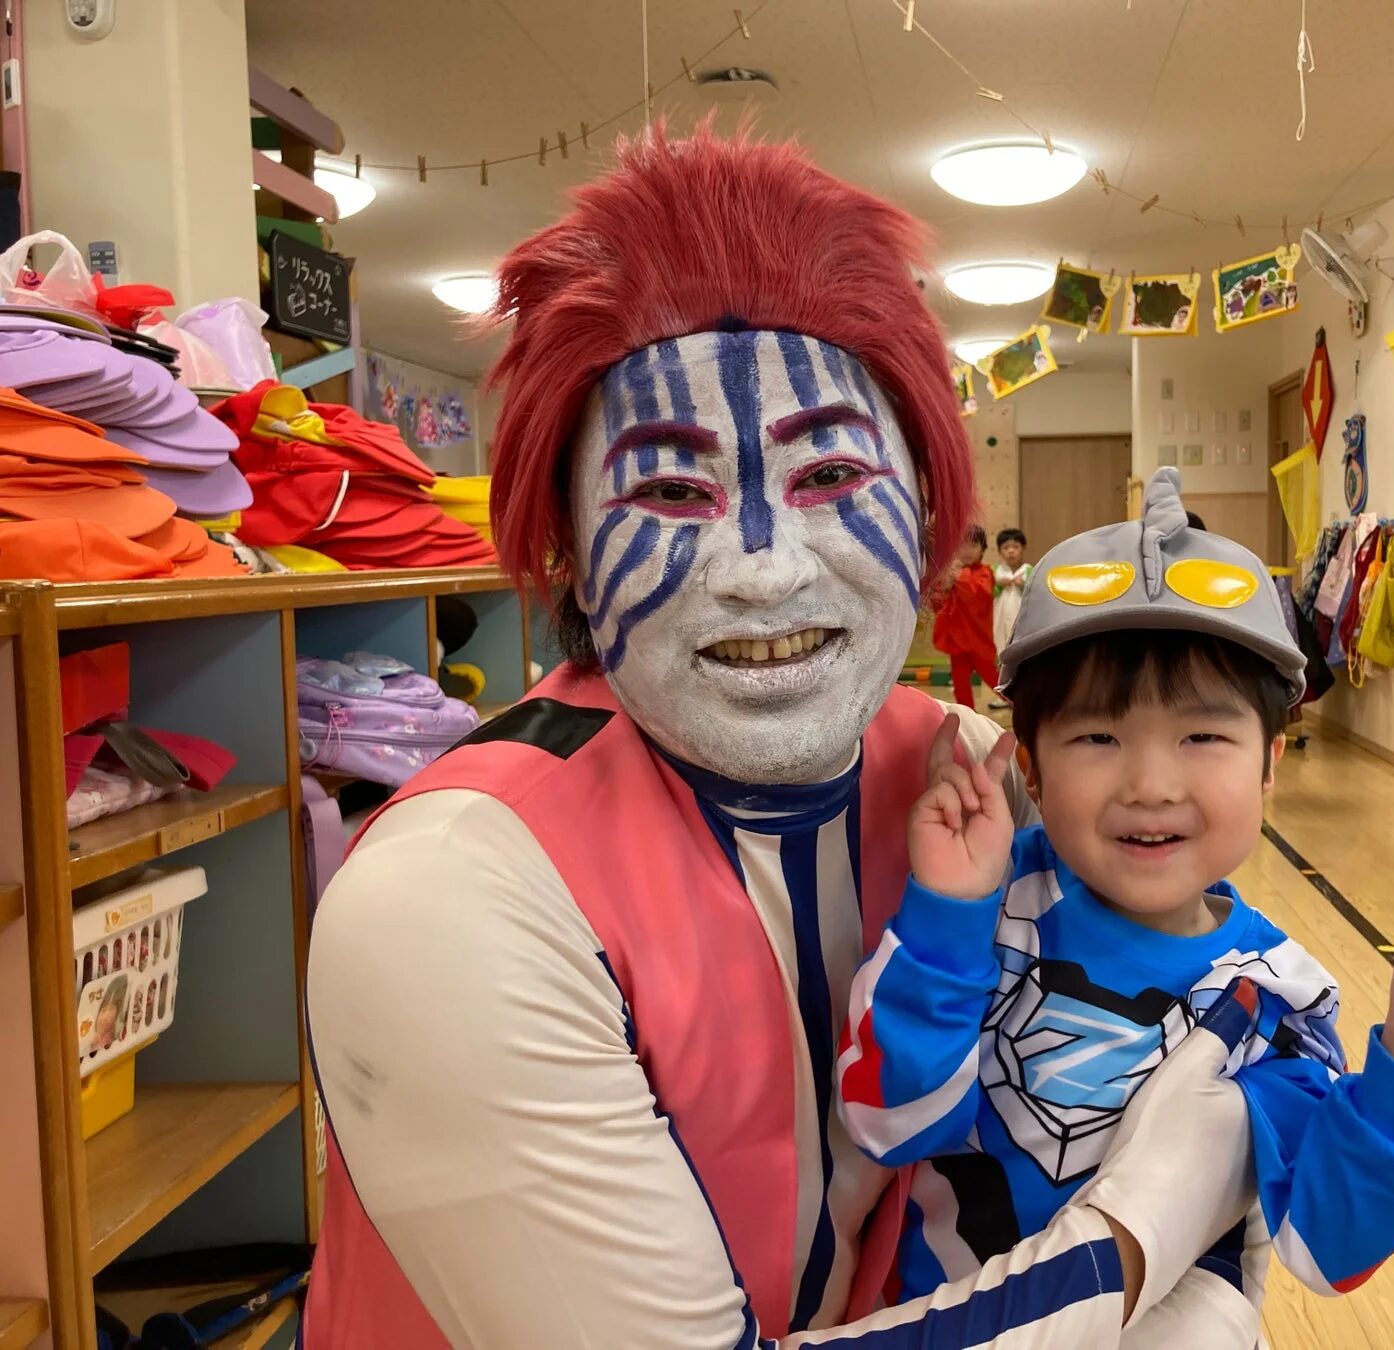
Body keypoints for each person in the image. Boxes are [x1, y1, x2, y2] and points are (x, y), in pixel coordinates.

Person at [304, 123, 1270, 1348]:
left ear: (927, 509)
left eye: (829, 479)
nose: (762, 571)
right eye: (670, 491)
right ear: (574, 554)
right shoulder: (453, 894)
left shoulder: (959, 771)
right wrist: (1145, 1226)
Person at [836, 468, 1394, 1342]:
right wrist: (946, 914)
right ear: (1031, 768)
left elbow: (1327, 1249)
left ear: (1270, 765)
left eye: (1203, 735)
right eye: (1098, 735)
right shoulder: (987, 910)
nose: (1152, 785)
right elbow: (886, 1125)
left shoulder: (1274, 999)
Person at [933, 525, 1001, 709]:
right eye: (963, 545)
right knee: (960, 684)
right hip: (957, 641)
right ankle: (968, 716)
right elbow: (938, 605)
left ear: (982, 549)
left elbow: (978, 596)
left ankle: (1020, 705)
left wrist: (958, 576)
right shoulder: (951, 573)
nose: (968, 550)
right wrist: (945, 585)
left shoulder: (985, 572)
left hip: (978, 640)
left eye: (974, 545)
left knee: (993, 678)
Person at [992, 526, 1033, 650]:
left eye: (1015, 547)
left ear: (1023, 548)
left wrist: (1023, 586)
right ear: (999, 551)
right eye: (1006, 548)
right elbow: (989, 593)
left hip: (1021, 616)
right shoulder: (996, 570)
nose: (1011, 551)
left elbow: (1034, 594)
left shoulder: (1028, 569)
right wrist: (998, 586)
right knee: (1001, 644)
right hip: (1000, 616)